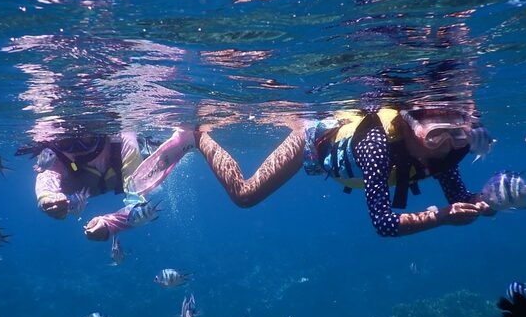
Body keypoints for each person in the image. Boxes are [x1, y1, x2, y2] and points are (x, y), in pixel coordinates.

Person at [194, 102, 494, 237]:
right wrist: (440, 218)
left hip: (344, 159)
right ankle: (196, 136)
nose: (446, 145)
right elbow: (384, 224)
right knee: (245, 196)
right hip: (312, 139)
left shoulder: (443, 154)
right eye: (435, 134)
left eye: (457, 134)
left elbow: (460, 196)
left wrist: (484, 201)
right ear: (409, 124)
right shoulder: (376, 145)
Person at [17, 129, 195, 241]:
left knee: (150, 175)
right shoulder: (55, 156)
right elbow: (46, 179)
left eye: (86, 136)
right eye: (66, 142)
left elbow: (138, 203)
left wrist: (110, 224)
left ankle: (152, 146)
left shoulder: (123, 142)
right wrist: (46, 198)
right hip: (101, 182)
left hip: (131, 164)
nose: (78, 146)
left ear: (101, 129)